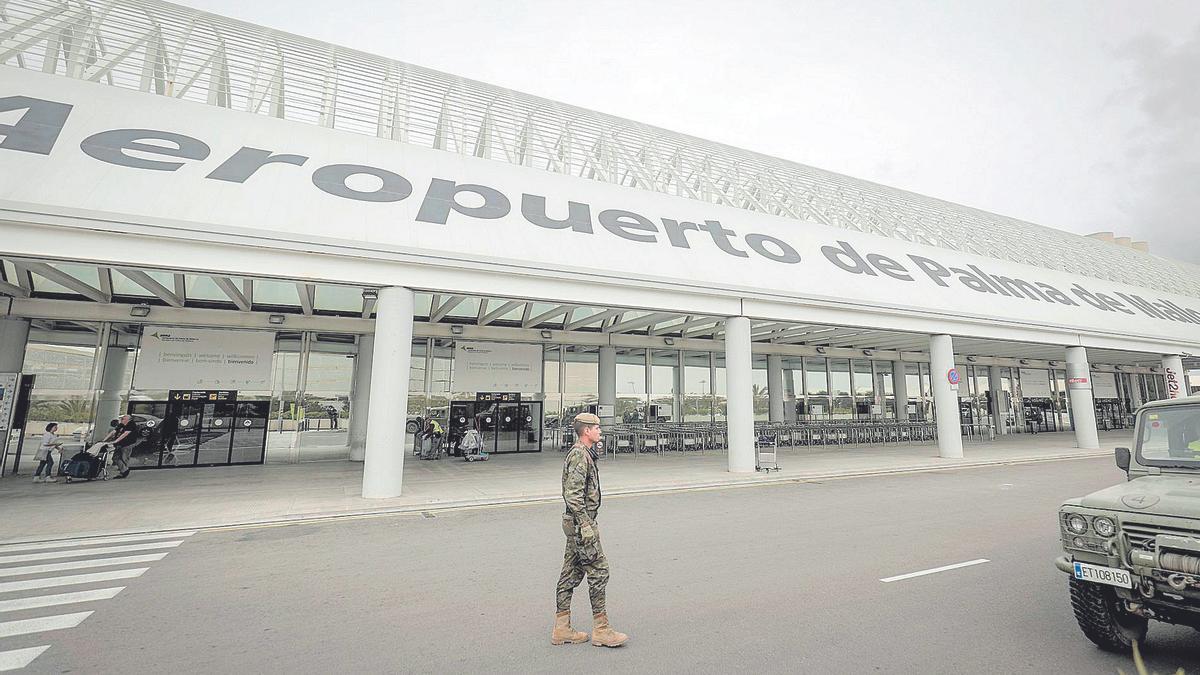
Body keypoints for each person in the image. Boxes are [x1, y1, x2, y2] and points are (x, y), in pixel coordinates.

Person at [552, 412, 628, 648]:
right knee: (599, 571)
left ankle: (562, 628)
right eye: (597, 428)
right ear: (586, 431)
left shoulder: (584, 454)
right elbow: (572, 495)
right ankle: (602, 629)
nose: (600, 431)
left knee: (571, 572)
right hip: (580, 524)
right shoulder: (579, 455)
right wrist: (586, 524)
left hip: (576, 524)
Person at [105, 414, 139, 479]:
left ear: (128, 420)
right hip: (120, 444)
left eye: (123, 419)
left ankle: (123, 472)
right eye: (122, 418)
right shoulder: (121, 425)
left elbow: (125, 434)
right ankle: (124, 470)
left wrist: (116, 441)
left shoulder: (131, 424)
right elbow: (113, 432)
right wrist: (104, 440)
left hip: (127, 444)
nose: (122, 420)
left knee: (124, 458)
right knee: (115, 458)